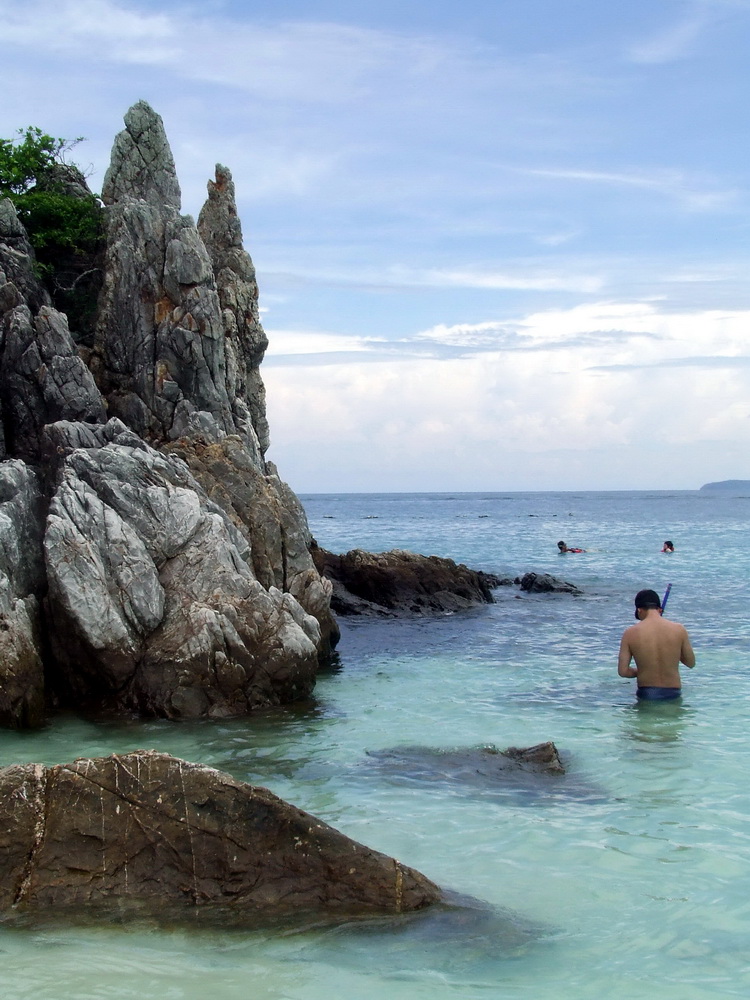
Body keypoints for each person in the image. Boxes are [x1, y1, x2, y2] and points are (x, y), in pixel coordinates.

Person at [617, 589, 695, 700]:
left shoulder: (630, 633)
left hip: (646, 694)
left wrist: (643, 670)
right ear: (659, 609)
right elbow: (691, 663)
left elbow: (623, 671)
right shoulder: (679, 629)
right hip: (673, 693)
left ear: (639, 610)